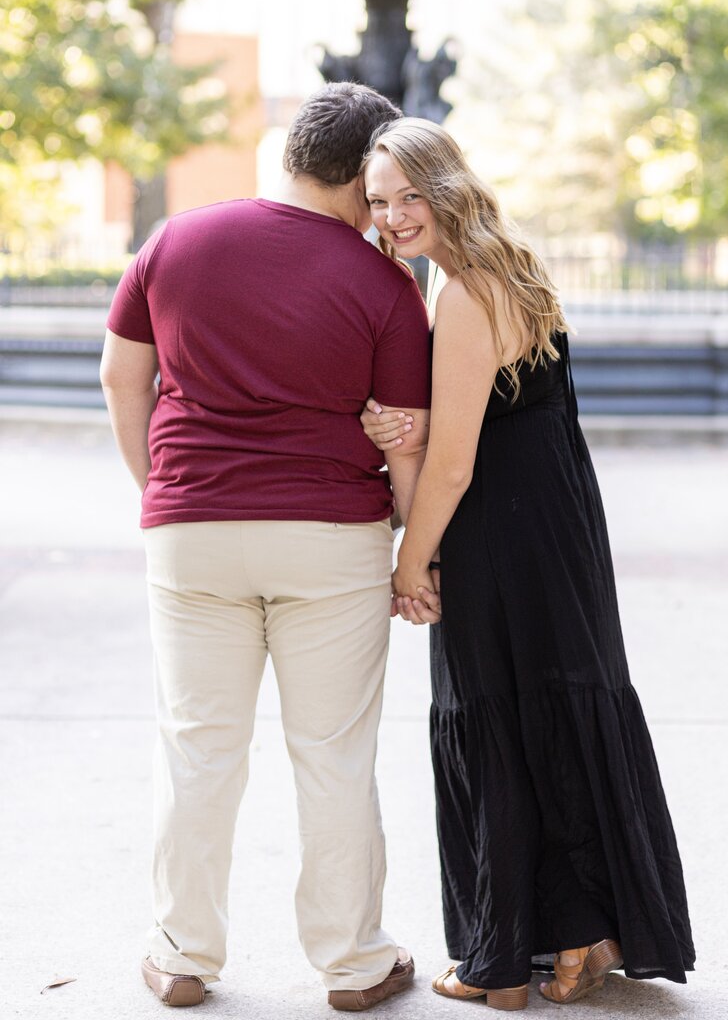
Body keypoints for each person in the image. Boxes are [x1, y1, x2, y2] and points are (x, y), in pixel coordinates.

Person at [100, 83, 433, 1011]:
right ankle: (354, 962)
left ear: (290, 152)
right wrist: (414, 557)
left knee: (198, 749)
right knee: (333, 755)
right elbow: (404, 437)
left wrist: (161, 491)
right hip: (331, 538)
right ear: (366, 173)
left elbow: (121, 377)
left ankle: (182, 954)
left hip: (192, 531)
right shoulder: (385, 286)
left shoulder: (175, 241)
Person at [359, 117, 695, 1008]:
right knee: (558, 705)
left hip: (497, 534)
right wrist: (406, 424)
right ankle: (582, 933)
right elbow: (492, 413)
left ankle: (500, 962)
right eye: (378, 203)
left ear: (446, 184)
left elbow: (459, 461)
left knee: (500, 717)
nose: (393, 217)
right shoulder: (516, 268)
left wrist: (410, 563)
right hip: (559, 525)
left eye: (408, 195)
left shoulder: (461, 294)